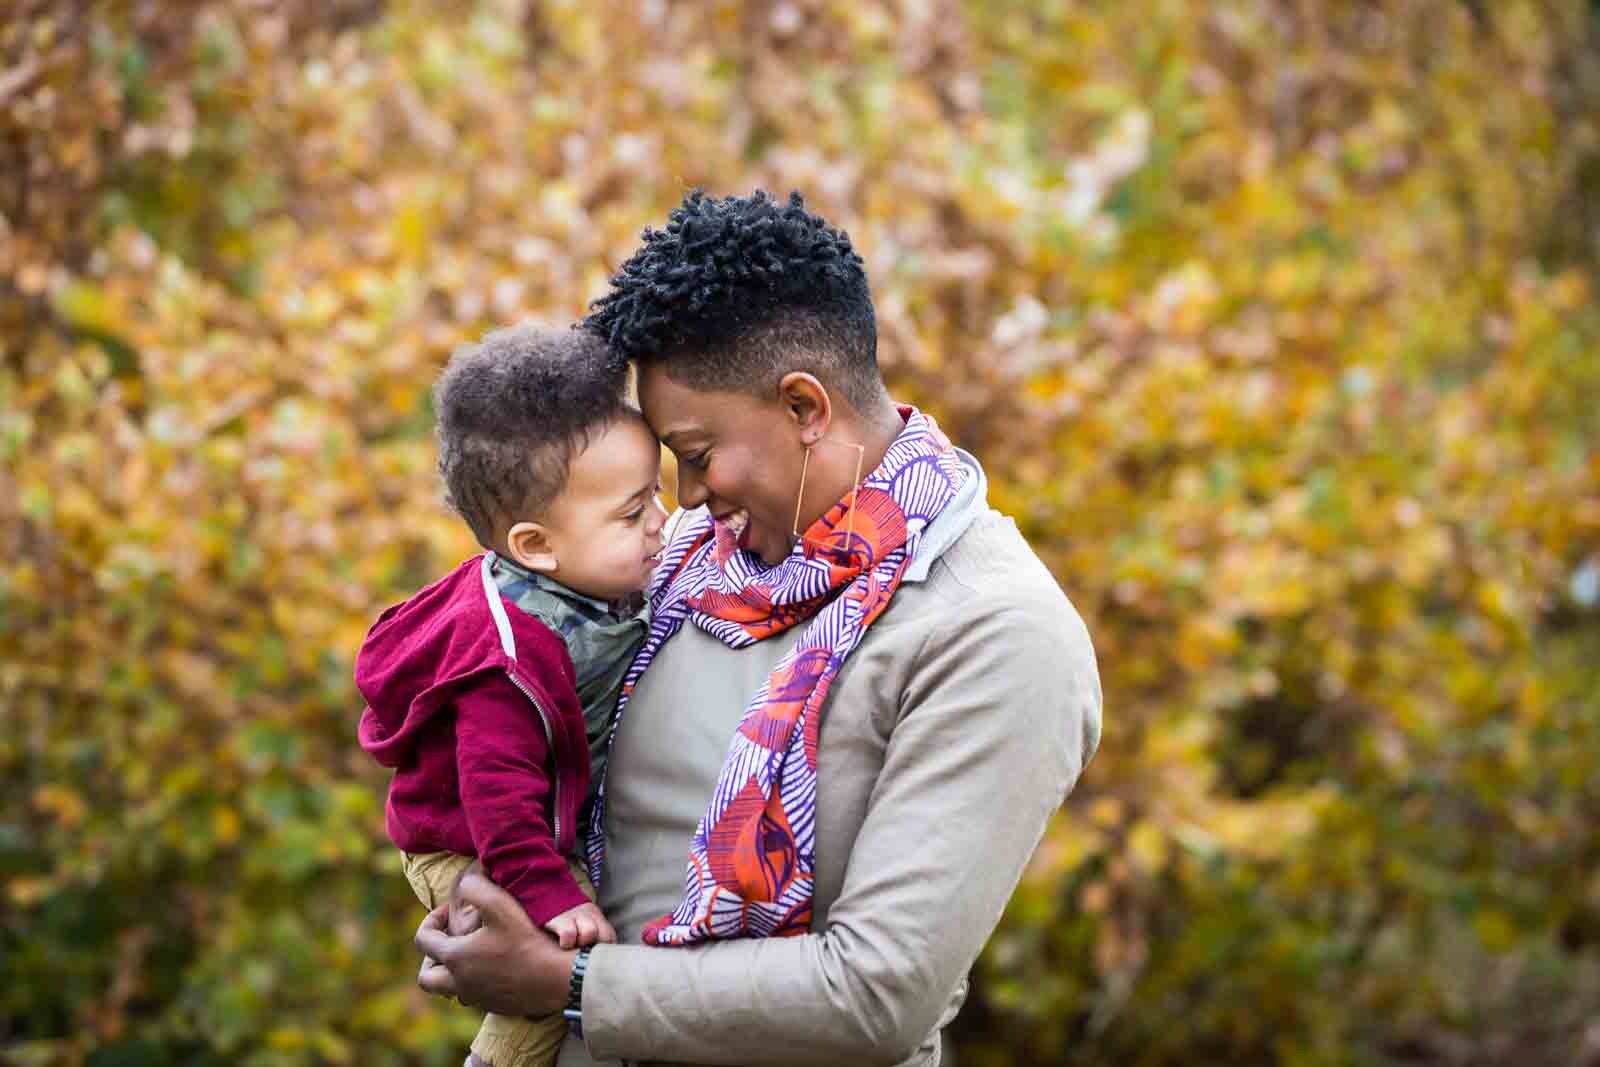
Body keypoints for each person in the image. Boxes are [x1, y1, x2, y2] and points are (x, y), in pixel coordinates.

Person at [415, 190, 1102, 1067]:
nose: (688, 498)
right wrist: (485, 888)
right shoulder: (688, 559)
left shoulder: (993, 630)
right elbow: (504, 708)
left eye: (697, 456)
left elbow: (877, 992)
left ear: (806, 408)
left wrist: (568, 985)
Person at [356, 323, 667, 1067]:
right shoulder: (507, 663)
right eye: (633, 512)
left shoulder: (578, 579)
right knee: (543, 987)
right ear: (534, 545)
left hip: (513, 823)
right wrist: (556, 897)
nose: (662, 520)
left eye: (659, 492)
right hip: (468, 839)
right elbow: (498, 800)